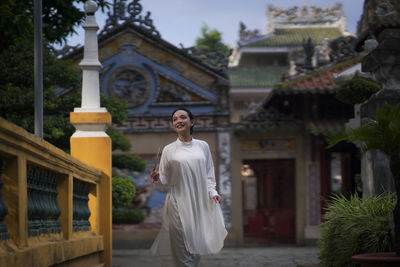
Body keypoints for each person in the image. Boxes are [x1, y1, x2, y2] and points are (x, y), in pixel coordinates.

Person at [150, 107, 227, 267]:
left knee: (197, 244)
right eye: (175, 119)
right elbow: (164, 179)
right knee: (182, 245)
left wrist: (213, 192)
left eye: (182, 117)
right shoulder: (168, 150)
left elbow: (209, 173)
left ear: (191, 122)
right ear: (173, 125)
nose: (178, 121)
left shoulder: (203, 146)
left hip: (199, 202)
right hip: (178, 201)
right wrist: (157, 177)